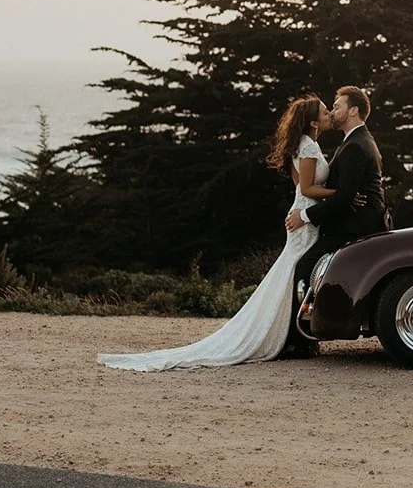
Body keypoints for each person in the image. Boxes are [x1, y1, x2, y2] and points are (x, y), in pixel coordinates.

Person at [97, 95, 341, 371]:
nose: (329, 113)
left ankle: (289, 333)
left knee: (291, 271)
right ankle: (289, 335)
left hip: (303, 213)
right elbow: (307, 189)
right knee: (294, 271)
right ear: (312, 121)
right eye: (324, 111)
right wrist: (340, 195)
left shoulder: (307, 144)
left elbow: (299, 186)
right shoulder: (308, 146)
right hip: (305, 218)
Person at [282, 85, 391, 357]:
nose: (333, 110)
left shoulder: (356, 145)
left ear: (353, 111)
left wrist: (304, 216)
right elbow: (337, 192)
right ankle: (304, 337)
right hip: (351, 222)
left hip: (354, 227)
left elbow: (344, 200)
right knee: (304, 266)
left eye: (338, 106)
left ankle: (299, 341)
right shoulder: (355, 141)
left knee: (304, 267)